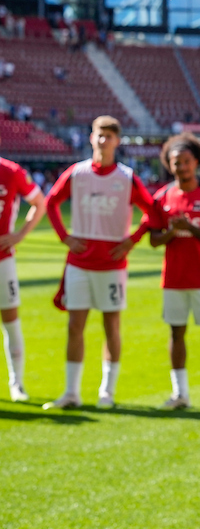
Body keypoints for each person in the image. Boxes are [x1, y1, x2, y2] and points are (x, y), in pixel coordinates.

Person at [43, 116, 156, 409]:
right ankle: (71, 392)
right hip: (79, 262)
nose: (103, 141)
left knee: (111, 327)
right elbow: (51, 201)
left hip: (111, 264)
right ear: (90, 138)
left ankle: (107, 391)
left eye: (109, 136)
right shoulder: (77, 173)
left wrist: (132, 240)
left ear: (117, 141)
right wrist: (64, 236)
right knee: (74, 326)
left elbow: (153, 212)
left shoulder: (127, 177)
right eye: (99, 135)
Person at [145, 134, 200, 411]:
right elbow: (153, 240)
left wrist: (191, 228)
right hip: (174, 279)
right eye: (176, 163)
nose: (181, 167)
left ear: (196, 162)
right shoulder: (161, 197)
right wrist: (172, 231)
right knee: (176, 334)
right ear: (169, 165)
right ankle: (180, 394)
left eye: (186, 161)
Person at [0, 144, 47, 401]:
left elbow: (39, 203)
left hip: (2, 260)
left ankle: (16, 383)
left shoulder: (11, 171)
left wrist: (19, 235)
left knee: (10, 321)